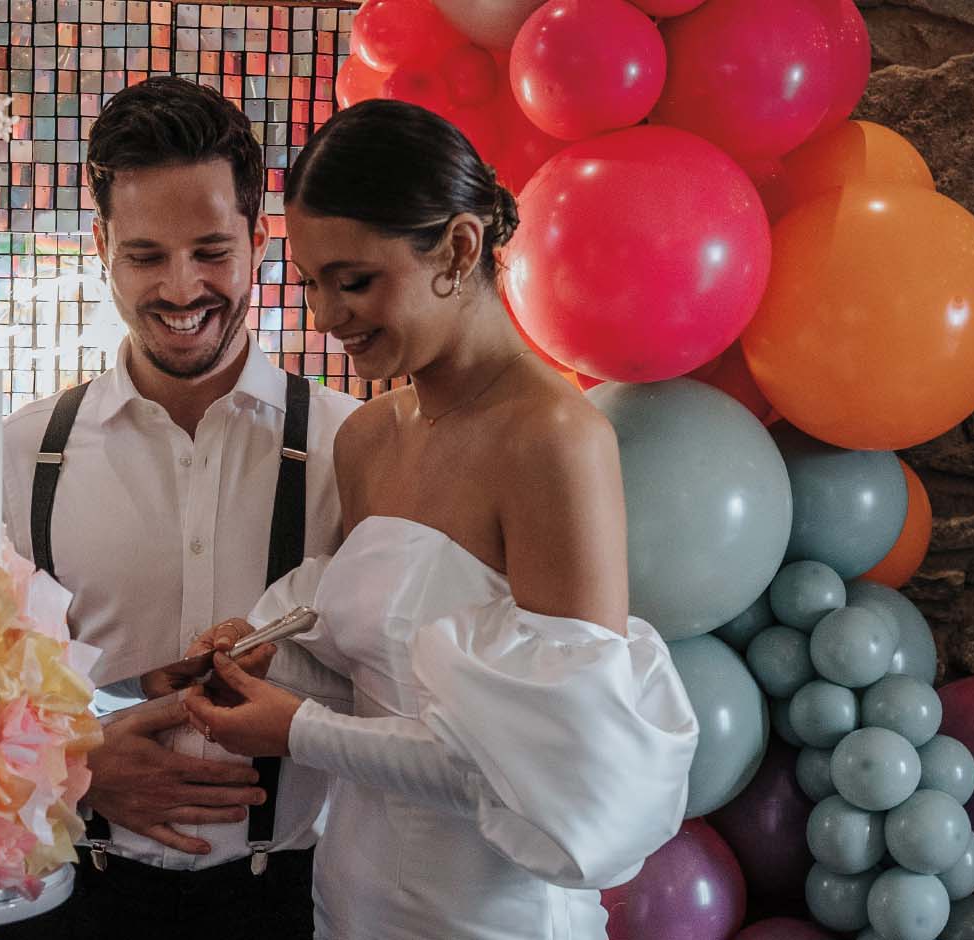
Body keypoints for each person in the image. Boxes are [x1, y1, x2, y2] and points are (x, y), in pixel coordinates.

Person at [179, 99, 702, 940]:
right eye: (311, 283)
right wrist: (264, 667)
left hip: (492, 915)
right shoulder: (367, 440)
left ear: (459, 249)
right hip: (351, 903)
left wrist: (301, 732)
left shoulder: (555, 443)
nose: (326, 315)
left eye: (355, 281)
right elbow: (380, 683)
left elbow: (557, 770)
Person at [0, 76, 359, 940]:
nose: (182, 287)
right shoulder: (20, 453)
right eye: (147, 255)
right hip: (71, 903)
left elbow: (411, 699)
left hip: (294, 904)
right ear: (101, 246)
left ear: (259, 240)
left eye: (210, 250)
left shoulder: (358, 447)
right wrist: (69, 764)